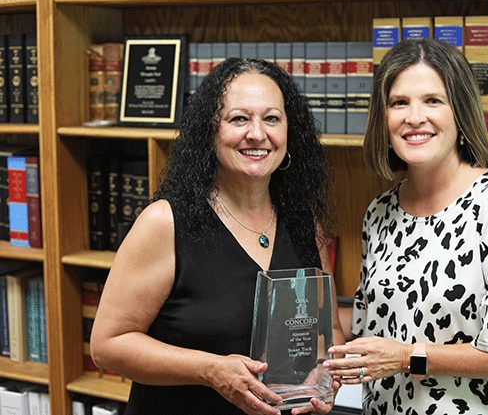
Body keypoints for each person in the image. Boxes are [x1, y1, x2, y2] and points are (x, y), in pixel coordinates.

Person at [323, 38, 488, 415]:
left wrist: (409, 358)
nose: (414, 117)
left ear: (460, 113)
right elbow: (370, 327)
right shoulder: (379, 212)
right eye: (399, 102)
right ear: (383, 118)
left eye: (432, 101)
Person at [90, 58, 345, 415]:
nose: (257, 134)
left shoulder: (306, 226)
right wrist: (210, 370)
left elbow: (329, 332)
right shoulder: (165, 222)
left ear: (291, 131)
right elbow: (107, 345)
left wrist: (324, 375)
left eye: (272, 118)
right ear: (210, 131)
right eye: (239, 118)